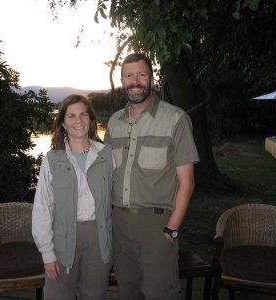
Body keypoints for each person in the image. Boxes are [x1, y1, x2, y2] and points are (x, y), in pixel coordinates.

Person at [104, 53, 199, 300]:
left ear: (151, 78)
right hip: (119, 225)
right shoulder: (114, 122)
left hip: (157, 226)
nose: (134, 81)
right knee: (128, 292)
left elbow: (187, 182)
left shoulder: (175, 119)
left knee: (162, 294)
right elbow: (105, 175)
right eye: (128, 75)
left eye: (141, 74)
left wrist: (172, 229)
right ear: (122, 80)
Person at [32, 94, 113, 300]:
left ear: (91, 120)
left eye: (83, 115)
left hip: (98, 238)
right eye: (71, 116)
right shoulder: (52, 159)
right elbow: (42, 208)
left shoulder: (107, 155)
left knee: (95, 296)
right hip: (62, 239)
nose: (78, 121)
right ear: (63, 123)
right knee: (56, 295)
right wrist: (47, 254)